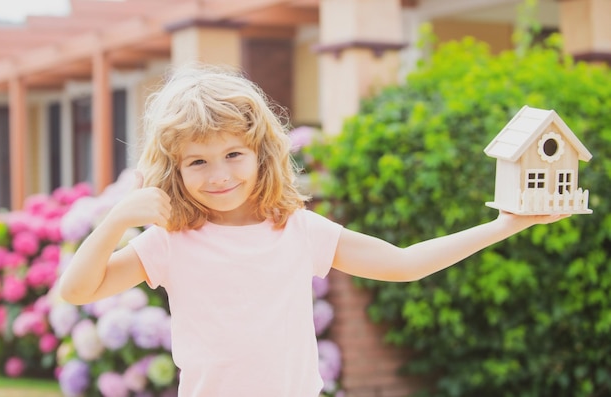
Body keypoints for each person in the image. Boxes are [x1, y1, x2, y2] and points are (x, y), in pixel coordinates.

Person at [58, 64, 569, 397]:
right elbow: (78, 290)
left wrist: (505, 225)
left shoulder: (297, 230)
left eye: (234, 154)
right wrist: (119, 218)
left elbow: (405, 263)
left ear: (262, 155)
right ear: (175, 170)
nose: (219, 175)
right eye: (198, 161)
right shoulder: (170, 241)